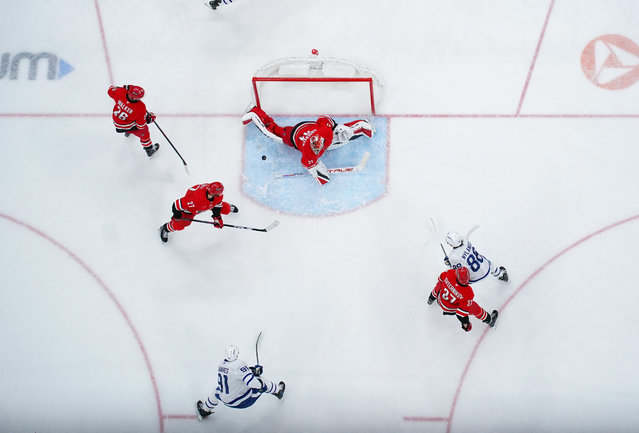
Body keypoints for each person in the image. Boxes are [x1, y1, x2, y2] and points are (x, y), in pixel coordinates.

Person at [242, 105, 375, 185]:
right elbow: (309, 165)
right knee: (273, 133)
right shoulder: (309, 153)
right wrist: (322, 177)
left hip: (304, 127)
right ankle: (254, 115)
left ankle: (361, 126)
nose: (317, 149)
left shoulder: (325, 132)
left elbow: (324, 119)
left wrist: (336, 127)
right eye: (316, 148)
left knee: (341, 136)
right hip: (293, 135)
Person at [196, 345, 285, 421]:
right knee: (263, 381)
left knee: (215, 392)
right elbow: (254, 383)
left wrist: (250, 371)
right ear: (236, 354)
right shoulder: (239, 364)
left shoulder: (221, 364)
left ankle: (205, 410)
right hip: (242, 401)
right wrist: (257, 376)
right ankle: (278, 391)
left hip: (226, 400)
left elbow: (235, 375)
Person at [158, 182, 238, 243]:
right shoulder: (195, 199)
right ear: (214, 194)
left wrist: (217, 218)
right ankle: (165, 228)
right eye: (219, 193)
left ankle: (228, 207)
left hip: (207, 204)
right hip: (191, 210)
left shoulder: (215, 193)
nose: (221, 194)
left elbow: (217, 205)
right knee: (181, 224)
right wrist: (177, 216)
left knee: (226, 209)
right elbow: (176, 205)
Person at [427, 267, 498, 332]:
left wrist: (433, 296)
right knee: (475, 308)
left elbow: (440, 282)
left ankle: (431, 298)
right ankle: (490, 320)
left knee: (440, 285)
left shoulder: (449, 273)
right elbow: (460, 314)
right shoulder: (468, 293)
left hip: (440, 299)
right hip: (449, 308)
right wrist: (466, 324)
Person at [107, 84, 159, 158]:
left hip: (116, 121)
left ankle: (127, 132)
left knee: (129, 118)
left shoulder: (120, 92)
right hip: (126, 125)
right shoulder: (140, 107)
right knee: (144, 131)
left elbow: (110, 90)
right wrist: (149, 119)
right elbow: (140, 125)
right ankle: (149, 149)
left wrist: (124, 88)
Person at [443, 231, 509, 283]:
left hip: (474, 277)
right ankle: (500, 274)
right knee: (489, 263)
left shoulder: (453, 256)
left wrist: (450, 263)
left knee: (452, 274)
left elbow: (457, 269)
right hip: (486, 267)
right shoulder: (465, 240)